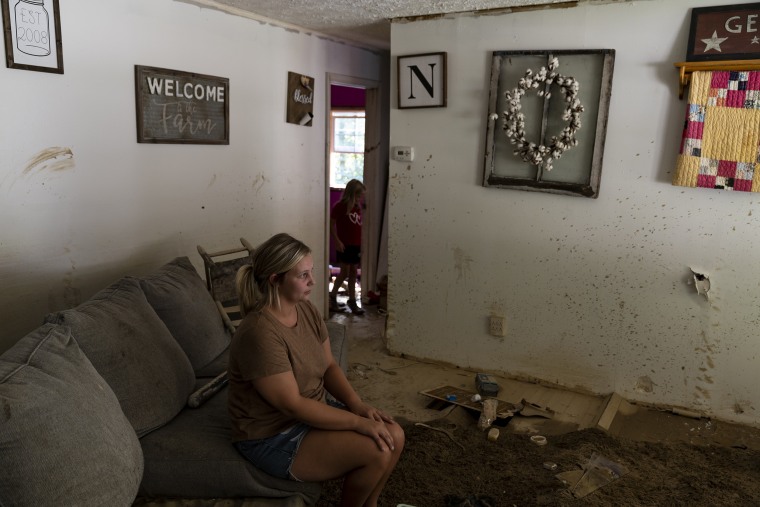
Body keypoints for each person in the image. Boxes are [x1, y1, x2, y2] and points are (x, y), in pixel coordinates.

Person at [228, 233, 404, 507]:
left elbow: (329, 365)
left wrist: (357, 405)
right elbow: (293, 406)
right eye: (303, 275)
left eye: (312, 272)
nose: (313, 281)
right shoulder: (259, 332)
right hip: (272, 434)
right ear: (275, 280)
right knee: (378, 450)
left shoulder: (306, 310)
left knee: (396, 434)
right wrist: (359, 423)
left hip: (309, 410)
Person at [330, 179, 366, 314]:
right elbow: (331, 225)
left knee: (353, 273)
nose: (360, 198)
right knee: (344, 271)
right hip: (344, 245)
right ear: (351, 194)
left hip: (355, 246)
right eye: (358, 195)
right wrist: (337, 241)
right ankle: (332, 297)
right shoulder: (340, 206)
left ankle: (352, 301)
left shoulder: (357, 208)